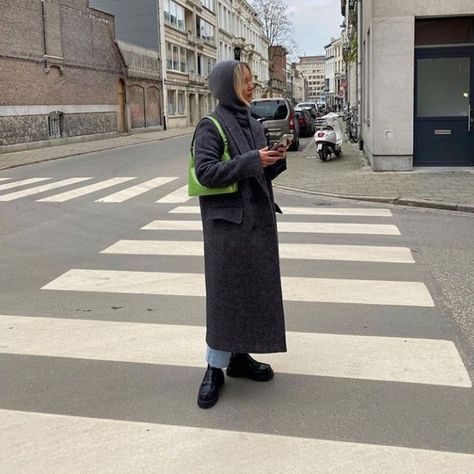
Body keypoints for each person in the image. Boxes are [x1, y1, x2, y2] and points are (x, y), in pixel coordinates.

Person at [193, 60, 288, 409]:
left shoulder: (253, 122)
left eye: (252, 80)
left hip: (257, 223)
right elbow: (205, 173)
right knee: (226, 298)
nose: (252, 86)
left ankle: (239, 357)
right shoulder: (210, 125)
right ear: (226, 86)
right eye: (245, 81)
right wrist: (252, 160)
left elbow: (258, 171)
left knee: (250, 293)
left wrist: (274, 160)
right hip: (228, 229)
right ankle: (213, 368)